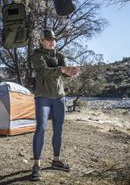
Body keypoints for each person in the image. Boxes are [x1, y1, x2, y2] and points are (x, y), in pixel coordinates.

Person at [30, 29, 80, 181]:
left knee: (58, 130)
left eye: (53, 39)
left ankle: (56, 161)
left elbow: (63, 73)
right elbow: (44, 71)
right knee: (41, 128)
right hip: (42, 98)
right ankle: (36, 165)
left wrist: (71, 72)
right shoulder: (37, 55)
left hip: (59, 97)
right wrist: (62, 69)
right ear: (41, 41)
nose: (52, 41)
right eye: (48, 39)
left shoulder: (60, 55)